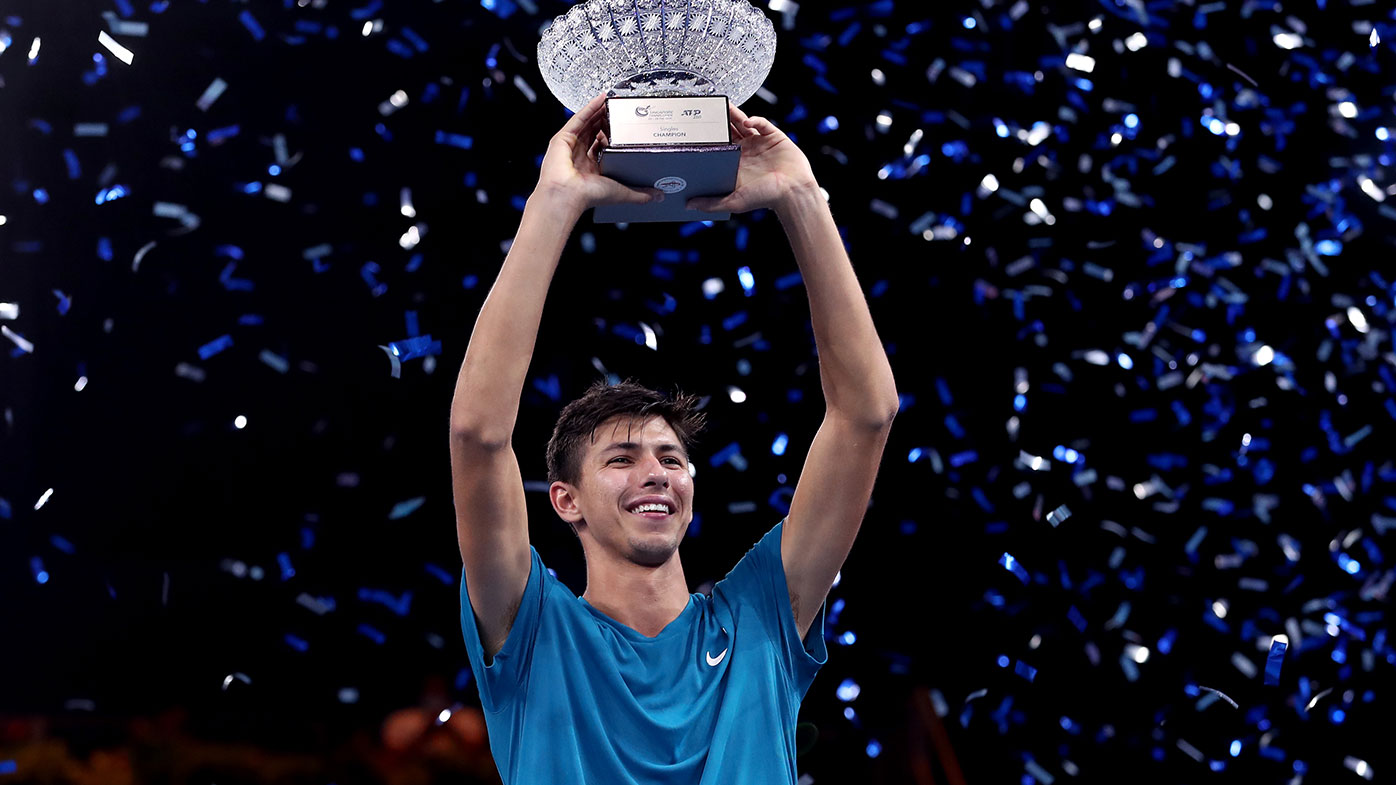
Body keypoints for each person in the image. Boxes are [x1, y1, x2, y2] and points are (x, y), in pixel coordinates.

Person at [449, 91, 899, 785]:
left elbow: (867, 416)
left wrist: (801, 197)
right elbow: (478, 436)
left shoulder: (761, 618)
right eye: (621, 459)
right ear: (565, 500)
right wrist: (554, 200)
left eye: (671, 458)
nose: (656, 473)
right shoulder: (532, 626)